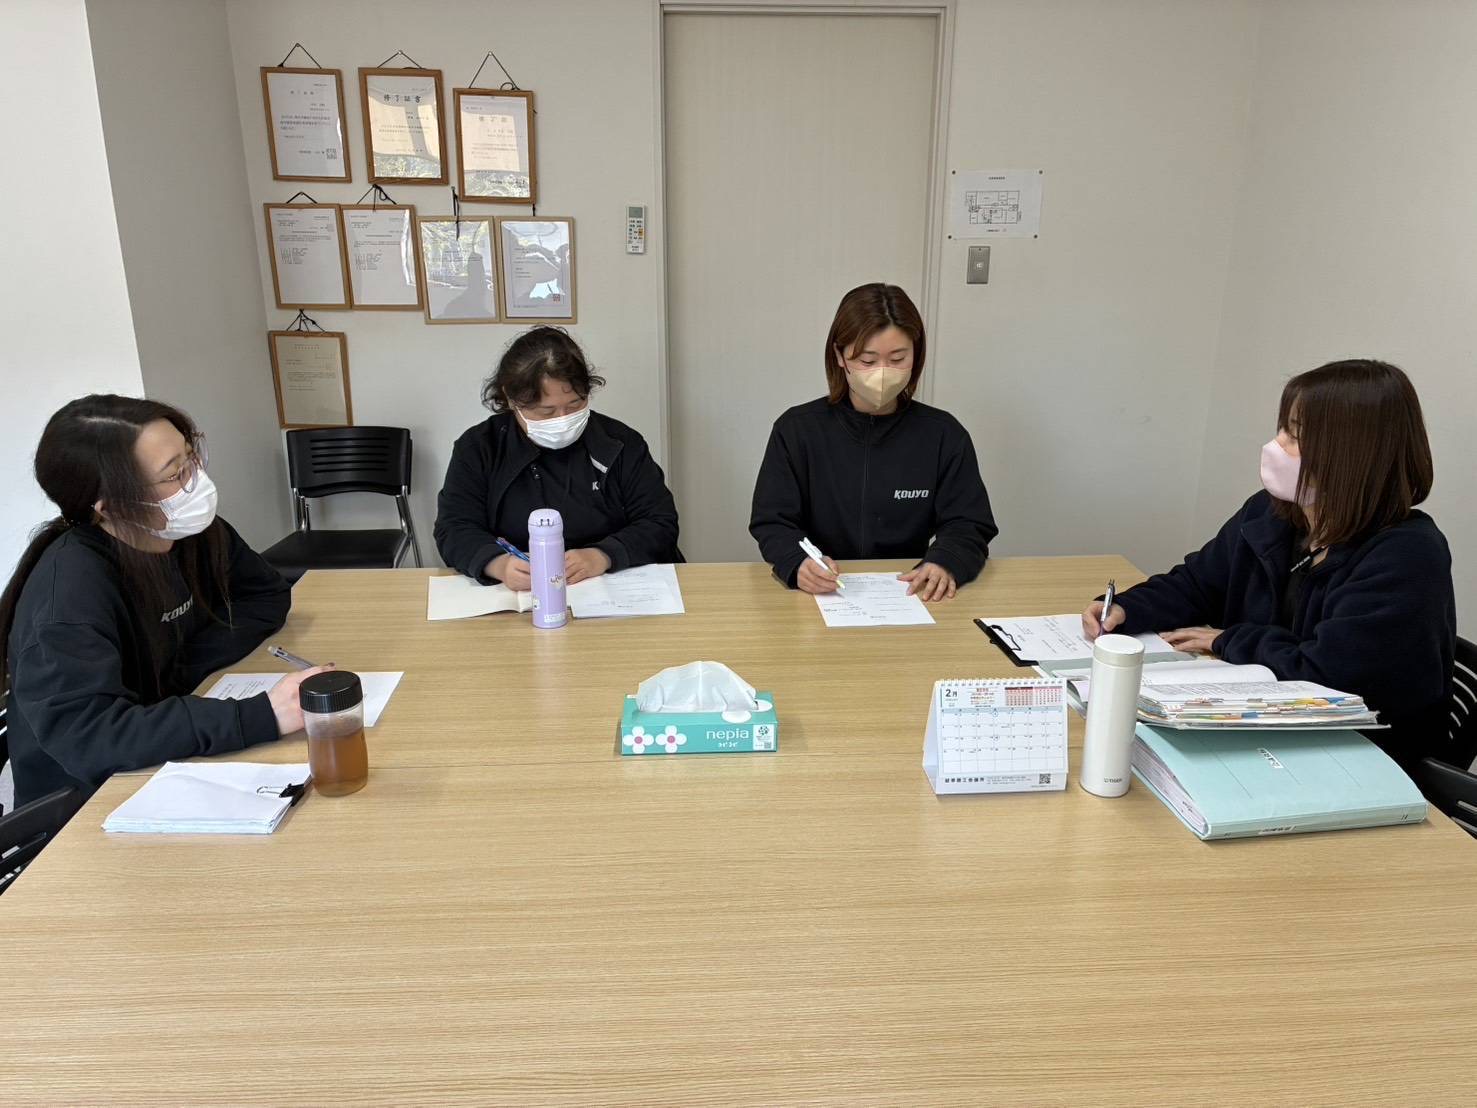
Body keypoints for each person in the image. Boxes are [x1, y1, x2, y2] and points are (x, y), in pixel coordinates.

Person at [1082, 359, 1457, 769]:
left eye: (1295, 435)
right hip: (1270, 731)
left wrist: (1228, 640)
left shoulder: (1407, 554)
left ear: (1352, 454)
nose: (1276, 445)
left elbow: (1331, 677)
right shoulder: (1271, 514)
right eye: (1283, 429)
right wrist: (1127, 608)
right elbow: (1198, 582)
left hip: (1359, 757)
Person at [0, 396, 325, 814]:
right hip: (88, 803)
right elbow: (92, 739)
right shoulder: (68, 595)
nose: (196, 481)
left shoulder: (190, 532)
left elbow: (266, 595)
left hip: (160, 753)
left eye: (192, 457)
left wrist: (181, 670)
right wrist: (261, 716)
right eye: (175, 474)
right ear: (109, 505)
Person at [749, 282, 998, 601]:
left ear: (916, 355)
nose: (882, 373)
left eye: (897, 358)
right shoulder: (797, 430)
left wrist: (945, 561)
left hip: (910, 592)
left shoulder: (943, 434)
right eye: (867, 361)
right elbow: (772, 521)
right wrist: (797, 562)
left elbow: (969, 523)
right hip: (819, 596)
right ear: (840, 355)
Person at [435, 327, 681, 588]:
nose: (563, 419)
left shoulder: (620, 443)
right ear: (511, 398)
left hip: (614, 587)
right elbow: (454, 528)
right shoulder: (479, 447)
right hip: (522, 592)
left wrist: (603, 555)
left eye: (575, 404)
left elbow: (660, 522)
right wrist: (498, 564)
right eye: (546, 411)